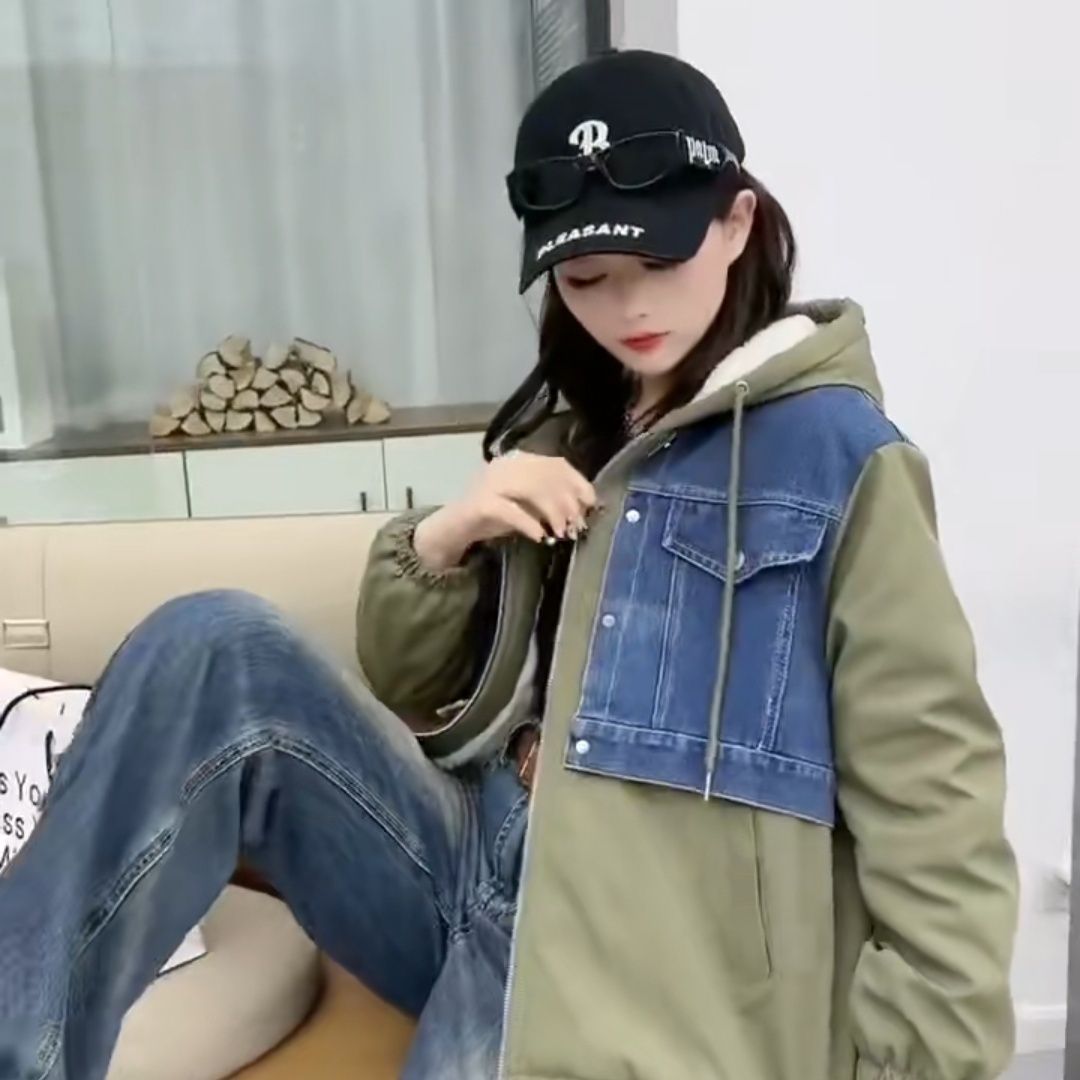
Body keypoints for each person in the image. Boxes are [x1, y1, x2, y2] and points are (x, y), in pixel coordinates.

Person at [0, 50, 1017, 1080]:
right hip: (477, 868)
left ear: (737, 224)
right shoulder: (571, 436)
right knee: (213, 648)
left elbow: (937, 810)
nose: (629, 309)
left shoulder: (843, 462)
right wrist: (444, 542)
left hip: (638, 970)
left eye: (659, 263)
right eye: (587, 280)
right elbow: (418, 689)